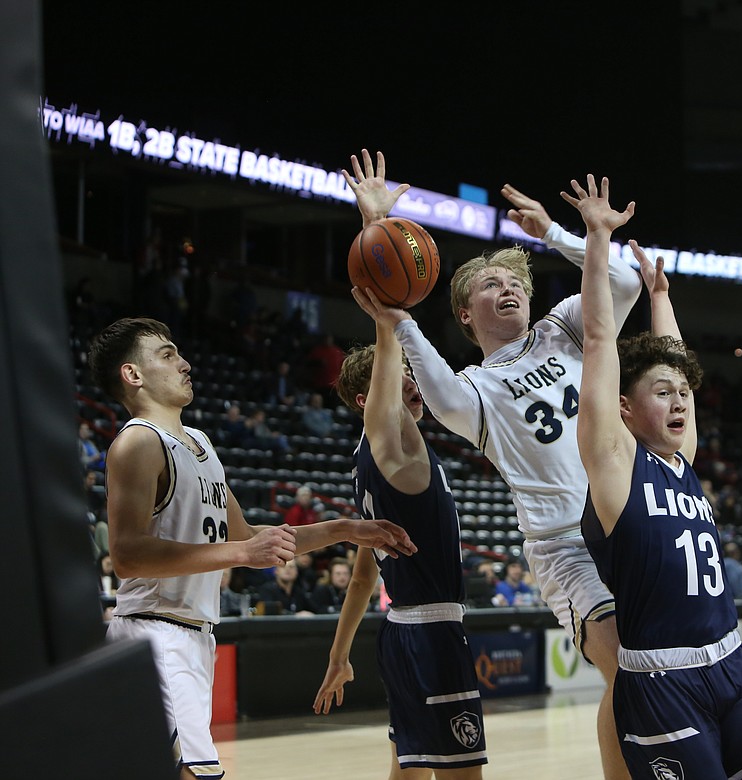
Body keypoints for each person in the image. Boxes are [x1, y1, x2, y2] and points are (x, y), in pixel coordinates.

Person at [344, 149, 641, 779]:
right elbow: (439, 392)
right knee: (625, 665)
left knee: (656, 666)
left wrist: (566, 234)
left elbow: (625, 282)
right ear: (463, 312)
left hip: (630, 519)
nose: (506, 288)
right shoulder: (475, 387)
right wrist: (392, 293)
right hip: (566, 542)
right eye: (490, 284)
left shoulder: (564, 326)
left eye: (514, 283)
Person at [89, 316, 416, 780]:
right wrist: (241, 554)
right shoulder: (138, 443)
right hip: (153, 634)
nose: (183, 363)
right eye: (166, 355)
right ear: (133, 375)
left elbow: (248, 538)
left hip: (193, 637)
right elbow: (128, 555)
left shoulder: (199, 444)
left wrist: (345, 528)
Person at [568, 175, 742, 778]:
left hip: (734, 663)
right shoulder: (616, 463)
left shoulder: (681, 460)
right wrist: (596, 239)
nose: (680, 402)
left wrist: (659, 294)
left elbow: (677, 365)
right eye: (662, 393)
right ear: (623, 407)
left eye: (684, 394)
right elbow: (597, 339)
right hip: (663, 680)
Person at [315, 288, 488, 776]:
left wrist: (338, 656)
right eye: (398, 376)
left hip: (400, 635)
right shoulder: (392, 448)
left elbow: (362, 579)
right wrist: (385, 308)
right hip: (431, 633)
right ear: (368, 401)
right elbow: (386, 365)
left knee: (407, 770)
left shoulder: (369, 468)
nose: (411, 381)